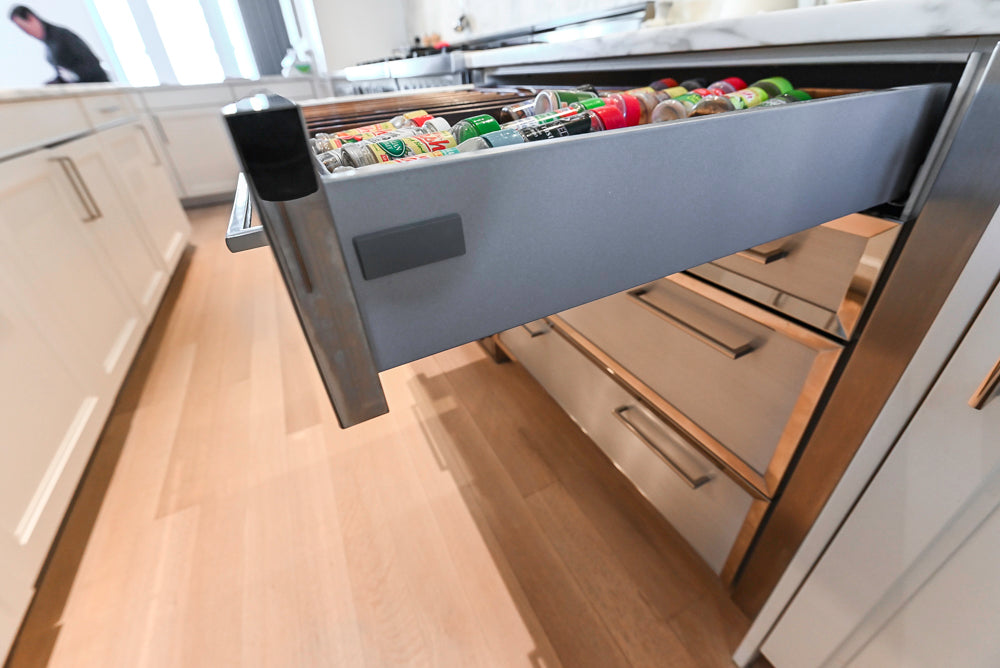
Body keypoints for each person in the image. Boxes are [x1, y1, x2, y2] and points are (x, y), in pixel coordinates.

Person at [9, 5, 109, 84]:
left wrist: (68, 79)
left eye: (24, 27)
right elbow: (66, 73)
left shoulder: (61, 36)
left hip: (97, 87)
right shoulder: (49, 45)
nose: (26, 32)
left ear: (31, 18)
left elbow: (90, 65)